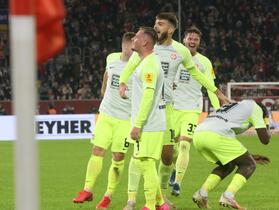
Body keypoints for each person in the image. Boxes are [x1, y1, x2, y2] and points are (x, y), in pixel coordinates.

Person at [119, 12, 230, 208]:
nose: (156, 27)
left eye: (160, 24)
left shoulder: (180, 51)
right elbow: (130, 65)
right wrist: (122, 82)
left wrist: (217, 92)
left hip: (167, 109)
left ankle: (159, 195)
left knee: (167, 156)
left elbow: (197, 74)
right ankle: (138, 199)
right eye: (155, 23)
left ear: (171, 29)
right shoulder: (148, 49)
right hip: (147, 110)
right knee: (142, 156)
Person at [72, 32, 136, 209]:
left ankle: (108, 195)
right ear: (124, 45)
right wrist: (103, 91)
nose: (134, 48)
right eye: (132, 45)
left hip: (125, 119)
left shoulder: (139, 65)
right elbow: (107, 74)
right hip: (106, 114)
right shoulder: (112, 58)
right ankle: (87, 189)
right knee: (97, 150)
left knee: (118, 156)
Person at [192, 100, 271, 209]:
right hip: (216, 135)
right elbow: (265, 139)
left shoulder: (237, 107)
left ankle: (202, 194)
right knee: (249, 164)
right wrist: (266, 121)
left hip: (198, 135)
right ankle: (228, 196)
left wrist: (250, 155)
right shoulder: (256, 108)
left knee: (228, 164)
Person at [170, 26, 221, 196]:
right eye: (189, 38)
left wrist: (218, 109)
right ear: (184, 40)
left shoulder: (205, 62)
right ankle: (172, 170)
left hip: (192, 109)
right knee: (172, 149)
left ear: (199, 43)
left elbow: (211, 87)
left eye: (195, 40)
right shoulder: (174, 55)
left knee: (185, 144)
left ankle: (177, 182)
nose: (192, 42)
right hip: (172, 108)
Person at [124, 26, 166, 210]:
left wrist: (138, 124)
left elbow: (148, 96)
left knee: (145, 162)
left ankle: (150, 206)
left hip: (148, 124)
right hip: (150, 122)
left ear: (145, 42)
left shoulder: (150, 64)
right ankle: (161, 204)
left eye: (137, 37)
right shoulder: (146, 61)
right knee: (144, 161)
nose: (133, 38)